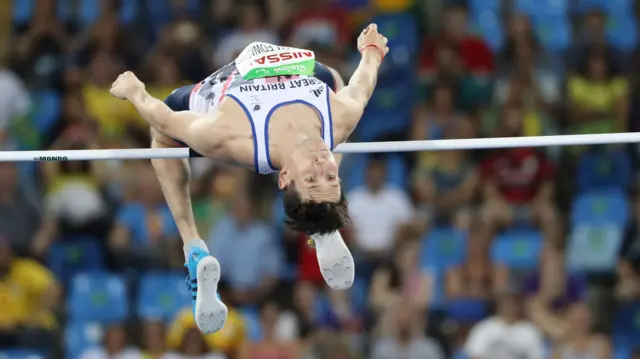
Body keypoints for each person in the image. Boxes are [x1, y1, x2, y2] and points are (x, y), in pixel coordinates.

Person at [109, 24, 389, 334]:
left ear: (283, 176)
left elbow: (164, 118)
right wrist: (372, 50)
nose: (322, 162)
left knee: (162, 139)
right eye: (330, 177)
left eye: (311, 178)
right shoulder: (339, 119)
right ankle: (323, 226)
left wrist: (135, 92)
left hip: (231, 84)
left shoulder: (228, 133)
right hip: (304, 72)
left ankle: (193, 247)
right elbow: (362, 83)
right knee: (337, 80)